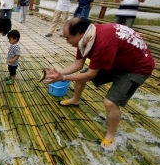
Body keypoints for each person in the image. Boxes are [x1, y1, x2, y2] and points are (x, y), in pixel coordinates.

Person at [44, 18, 155, 150]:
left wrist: (63, 77)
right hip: (116, 61)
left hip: (136, 68)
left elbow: (91, 74)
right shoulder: (87, 37)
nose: (67, 42)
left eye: (67, 38)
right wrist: (57, 74)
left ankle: (111, 134)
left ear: (80, 33)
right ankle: (75, 99)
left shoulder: (102, 43)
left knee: (110, 102)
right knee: (79, 78)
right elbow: (78, 64)